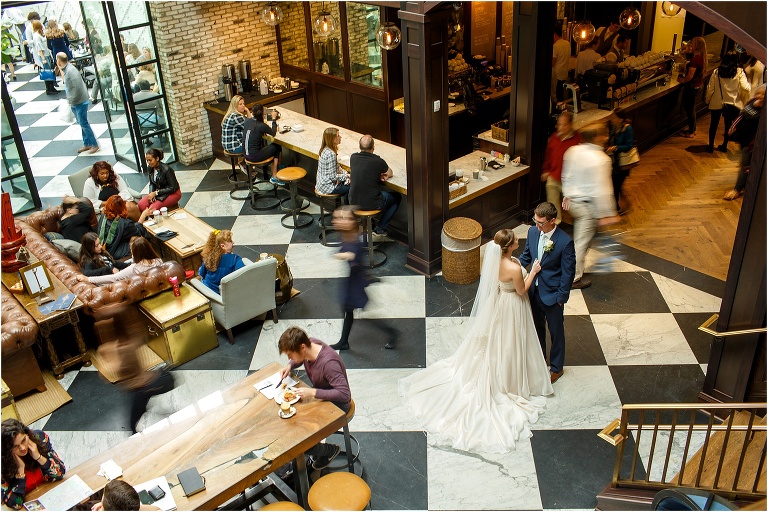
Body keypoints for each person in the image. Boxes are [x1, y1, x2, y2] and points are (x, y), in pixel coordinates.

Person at [399, 229, 552, 453]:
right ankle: (511, 378)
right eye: (515, 239)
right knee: (510, 342)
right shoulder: (512, 267)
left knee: (496, 340)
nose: (519, 240)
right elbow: (522, 291)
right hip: (512, 305)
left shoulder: (496, 261)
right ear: (509, 246)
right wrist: (534, 272)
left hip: (499, 301)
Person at [92, 303, 175, 434]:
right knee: (133, 423)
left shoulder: (112, 348)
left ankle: (145, 404)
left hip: (142, 384)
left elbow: (104, 377)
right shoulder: (130, 341)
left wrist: (103, 314)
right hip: (140, 389)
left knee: (133, 423)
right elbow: (127, 316)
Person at [517, 202, 576, 384]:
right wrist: (512, 266)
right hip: (534, 291)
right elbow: (527, 256)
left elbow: (568, 273)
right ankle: (540, 360)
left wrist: (561, 298)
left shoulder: (565, 242)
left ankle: (557, 368)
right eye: (535, 221)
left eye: (541, 223)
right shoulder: (533, 232)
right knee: (537, 329)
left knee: (556, 332)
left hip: (553, 296)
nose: (537, 226)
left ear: (552, 221)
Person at [277, 327, 347, 470]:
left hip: (337, 407)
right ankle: (313, 451)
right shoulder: (310, 344)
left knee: (297, 438)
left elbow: (344, 394)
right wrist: (290, 365)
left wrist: (313, 392)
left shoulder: (329, 364)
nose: (290, 359)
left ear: (302, 347)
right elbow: (300, 358)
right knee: (288, 424)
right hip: (322, 400)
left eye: (290, 355)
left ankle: (328, 451)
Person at [328, 206, 396, 351]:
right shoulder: (346, 235)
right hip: (352, 281)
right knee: (349, 310)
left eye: (343, 218)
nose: (338, 221)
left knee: (363, 313)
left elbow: (353, 256)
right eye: (337, 218)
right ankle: (344, 341)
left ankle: (392, 333)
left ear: (353, 221)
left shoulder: (355, 240)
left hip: (356, 284)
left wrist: (345, 255)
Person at [562, 123, 618, 290]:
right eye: (603, 134)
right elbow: (602, 189)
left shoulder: (572, 151)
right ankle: (573, 278)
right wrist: (607, 213)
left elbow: (566, 176)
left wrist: (568, 195)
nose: (607, 137)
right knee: (581, 243)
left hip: (572, 203)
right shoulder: (602, 159)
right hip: (587, 206)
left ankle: (568, 268)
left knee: (581, 239)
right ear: (595, 137)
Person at [1, 419, 66, 510]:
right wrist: (20, 471)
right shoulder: (2, 463)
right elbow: (15, 504)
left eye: (24, 440)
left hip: (52, 496)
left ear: (27, 434)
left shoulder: (40, 438)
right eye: (15, 446)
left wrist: (38, 457)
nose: (22, 448)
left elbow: (60, 473)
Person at [349, 134, 401, 238]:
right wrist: (379, 174)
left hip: (353, 201)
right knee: (397, 197)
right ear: (373, 148)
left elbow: (364, 171)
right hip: (372, 203)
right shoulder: (377, 161)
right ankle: (381, 227)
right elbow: (390, 173)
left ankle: (368, 224)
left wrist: (376, 173)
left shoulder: (353, 158)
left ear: (360, 147)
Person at [723, 85, 765, 200]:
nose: (760, 96)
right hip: (742, 138)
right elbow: (742, 114)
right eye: (758, 93)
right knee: (745, 164)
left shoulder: (765, 111)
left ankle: (736, 190)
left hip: (751, 143)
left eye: (763, 94)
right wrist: (733, 126)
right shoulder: (752, 102)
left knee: (745, 166)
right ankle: (747, 184)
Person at [705, 50, 750, 153]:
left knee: (713, 125)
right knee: (728, 125)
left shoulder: (716, 72)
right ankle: (724, 145)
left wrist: (707, 100)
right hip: (732, 103)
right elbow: (745, 87)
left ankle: (710, 145)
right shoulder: (739, 72)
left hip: (717, 102)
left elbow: (710, 89)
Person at [541, 111, 581, 224]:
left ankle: (581, 224)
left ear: (570, 125)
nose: (560, 127)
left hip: (570, 181)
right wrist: (546, 170)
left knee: (574, 207)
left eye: (563, 125)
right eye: (559, 124)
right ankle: (556, 225)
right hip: (553, 176)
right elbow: (548, 155)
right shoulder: (554, 137)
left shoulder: (577, 140)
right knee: (553, 207)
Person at [57, 52, 99, 154]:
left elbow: (77, 88)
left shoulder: (70, 71)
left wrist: (72, 100)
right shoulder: (68, 69)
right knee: (81, 123)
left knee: (83, 123)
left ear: (59, 60)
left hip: (79, 101)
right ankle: (87, 143)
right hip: (76, 101)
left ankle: (94, 144)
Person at [78, 236, 161, 285]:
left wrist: (88, 279)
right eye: (97, 245)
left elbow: (114, 278)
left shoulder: (134, 268)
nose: (100, 246)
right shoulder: (159, 261)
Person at [96, 195, 149, 260]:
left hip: (102, 250)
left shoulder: (103, 216)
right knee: (138, 240)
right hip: (115, 253)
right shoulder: (125, 223)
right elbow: (138, 232)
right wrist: (143, 216)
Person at [606, 109, 637, 214]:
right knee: (615, 185)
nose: (612, 119)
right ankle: (619, 206)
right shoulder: (613, 127)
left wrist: (616, 147)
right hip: (614, 162)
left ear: (620, 119)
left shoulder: (627, 129)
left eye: (614, 117)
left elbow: (629, 145)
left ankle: (617, 207)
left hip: (623, 163)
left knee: (616, 185)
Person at [243, 103, 283, 184]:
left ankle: (277, 170)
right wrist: (274, 118)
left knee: (270, 147)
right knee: (277, 146)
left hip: (245, 154)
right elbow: (273, 133)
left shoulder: (247, 121)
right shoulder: (261, 125)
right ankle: (275, 175)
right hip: (254, 156)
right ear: (263, 113)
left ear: (252, 113)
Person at [677, 36, 707, 138]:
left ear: (696, 46)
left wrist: (682, 81)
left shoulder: (695, 60)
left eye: (693, 43)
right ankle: (692, 129)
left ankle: (691, 132)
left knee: (690, 109)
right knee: (692, 108)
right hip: (698, 86)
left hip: (692, 87)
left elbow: (690, 76)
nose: (691, 45)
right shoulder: (701, 57)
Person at [199, 229, 245, 294]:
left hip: (207, 292)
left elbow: (202, 273)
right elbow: (244, 275)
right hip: (223, 295)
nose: (233, 242)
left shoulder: (208, 258)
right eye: (230, 241)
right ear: (223, 246)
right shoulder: (235, 259)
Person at [138, 148, 181, 213]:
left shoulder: (167, 169)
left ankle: (159, 220)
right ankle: (151, 219)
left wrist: (156, 193)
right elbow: (152, 183)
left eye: (150, 160)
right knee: (141, 205)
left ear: (157, 159)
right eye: (147, 160)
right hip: (159, 193)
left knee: (153, 209)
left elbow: (173, 187)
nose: (148, 163)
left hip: (173, 193)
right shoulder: (150, 168)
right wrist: (151, 194)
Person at [315, 127, 350, 200]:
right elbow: (333, 176)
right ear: (332, 139)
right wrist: (347, 176)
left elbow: (336, 168)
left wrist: (346, 174)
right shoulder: (331, 154)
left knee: (349, 182)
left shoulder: (324, 149)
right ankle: (345, 209)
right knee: (353, 186)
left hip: (321, 183)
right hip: (327, 187)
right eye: (338, 136)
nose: (340, 137)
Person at [221, 95, 251, 171]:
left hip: (226, 146)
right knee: (254, 144)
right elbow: (251, 126)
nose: (243, 106)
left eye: (243, 103)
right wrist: (248, 111)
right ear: (235, 106)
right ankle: (247, 165)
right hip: (233, 148)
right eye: (240, 104)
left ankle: (244, 163)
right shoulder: (236, 116)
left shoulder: (229, 114)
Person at [31, 20, 57, 95]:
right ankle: (49, 89)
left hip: (46, 55)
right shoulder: (37, 36)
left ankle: (51, 88)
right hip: (44, 56)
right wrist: (43, 59)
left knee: (49, 71)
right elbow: (39, 49)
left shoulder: (38, 34)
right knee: (47, 72)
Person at [552, 27, 571, 103]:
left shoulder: (555, 46)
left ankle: (557, 111)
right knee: (561, 95)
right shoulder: (567, 43)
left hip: (557, 75)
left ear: (554, 35)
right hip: (564, 73)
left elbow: (553, 62)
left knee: (556, 96)